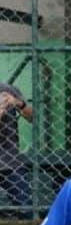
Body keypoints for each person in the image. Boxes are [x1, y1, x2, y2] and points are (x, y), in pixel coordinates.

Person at [0, 78, 32, 214]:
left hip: (10, 160)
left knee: (27, 208)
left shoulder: (7, 89)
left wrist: (19, 104)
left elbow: (33, 117)